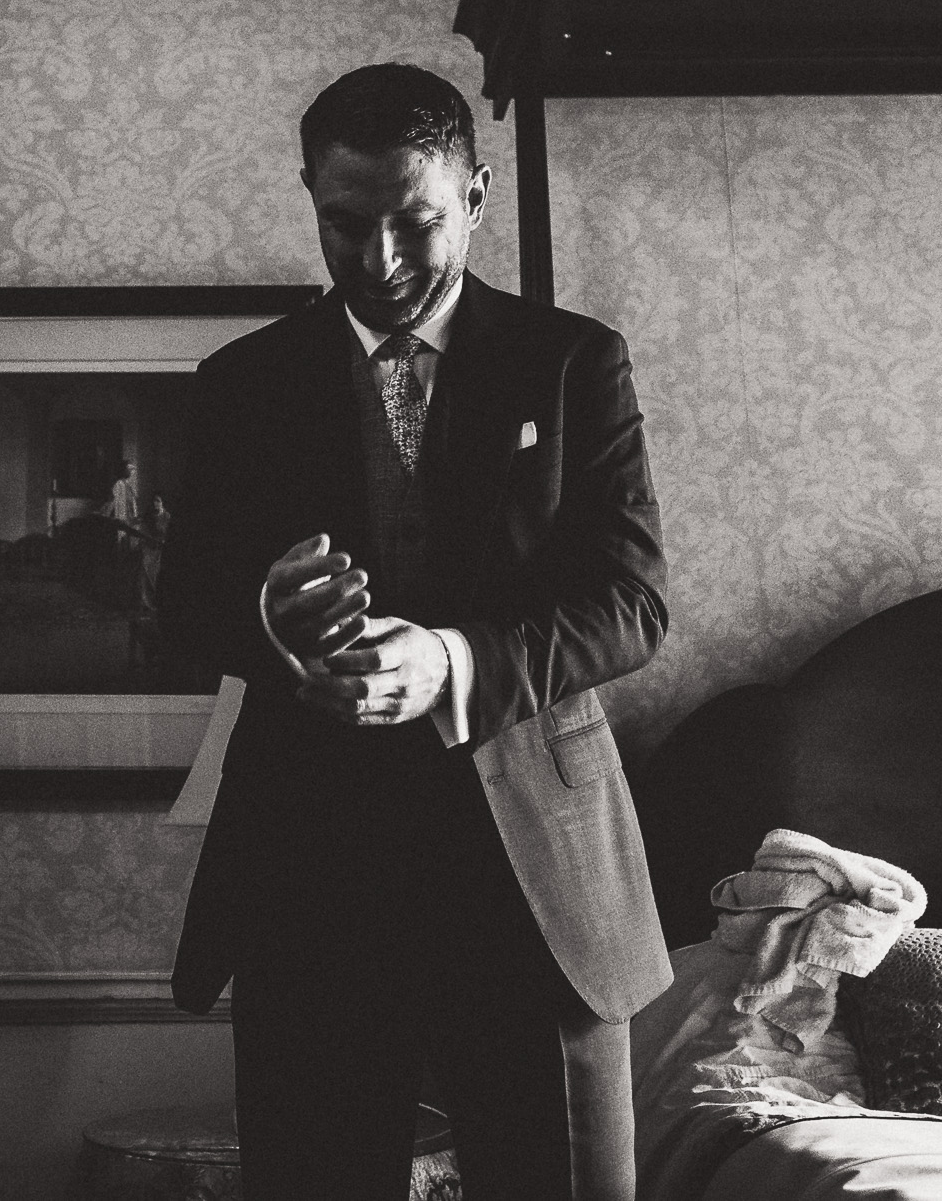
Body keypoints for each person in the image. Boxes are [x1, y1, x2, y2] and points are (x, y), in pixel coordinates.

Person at [160, 63, 671, 1201]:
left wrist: (450, 660)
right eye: (345, 226)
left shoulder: (573, 361)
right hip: (311, 872)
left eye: (416, 221)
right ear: (309, 196)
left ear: (476, 196)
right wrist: (268, 615)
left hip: (534, 869)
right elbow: (186, 604)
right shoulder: (240, 383)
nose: (380, 260)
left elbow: (631, 602)